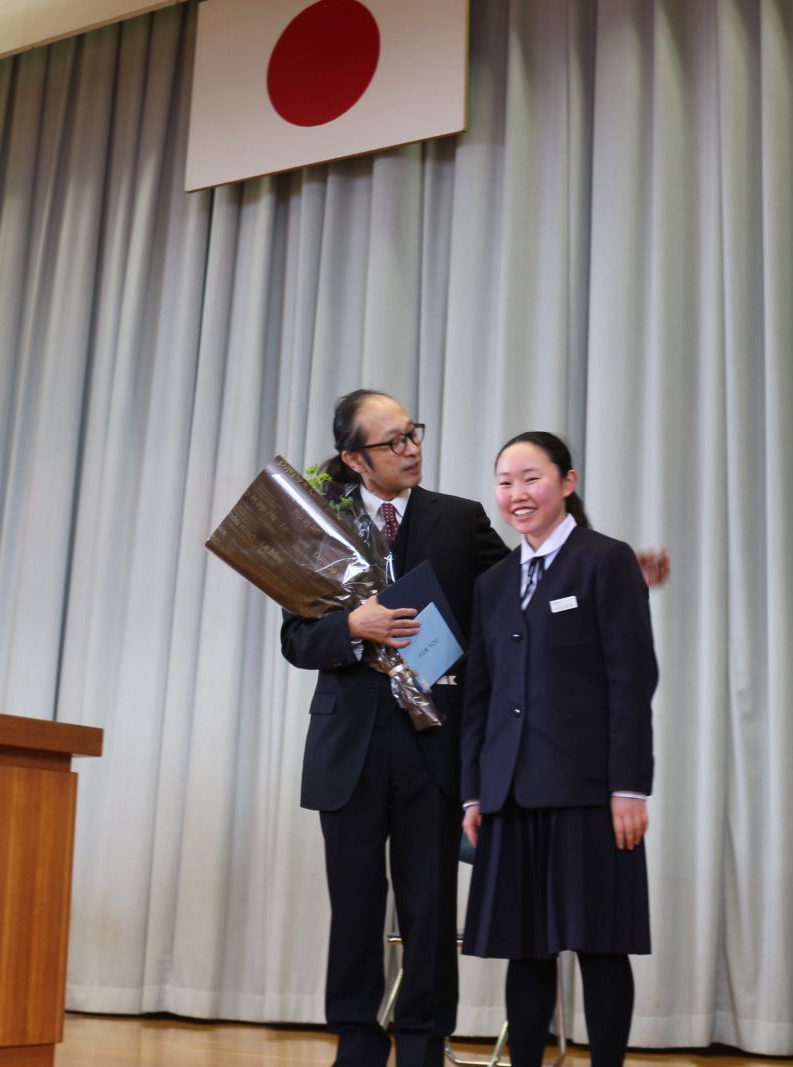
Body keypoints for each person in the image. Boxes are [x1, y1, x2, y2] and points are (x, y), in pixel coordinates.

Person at [280, 390, 509, 1067]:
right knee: (353, 904)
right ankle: (355, 1041)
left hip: (432, 740)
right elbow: (297, 640)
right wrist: (353, 626)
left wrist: (599, 573)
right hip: (348, 745)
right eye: (393, 441)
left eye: (413, 434)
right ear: (354, 458)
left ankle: (422, 1045)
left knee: (429, 904)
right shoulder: (319, 523)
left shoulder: (458, 519)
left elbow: (513, 594)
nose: (411, 449)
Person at [460, 431, 660, 1067]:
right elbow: (480, 697)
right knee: (525, 951)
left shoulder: (605, 560)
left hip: (589, 793)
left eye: (531, 478)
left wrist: (629, 786)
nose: (516, 494)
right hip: (511, 793)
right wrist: (474, 792)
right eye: (505, 482)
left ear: (567, 482)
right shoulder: (493, 583)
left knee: (600, 945)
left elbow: (632, 680)